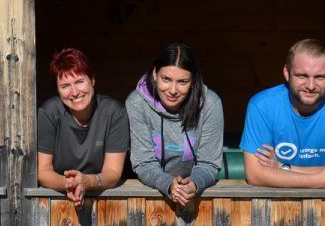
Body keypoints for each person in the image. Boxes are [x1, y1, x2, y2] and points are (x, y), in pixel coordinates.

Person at [240, 39, 325, 188]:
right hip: (274, 203)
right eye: (302, 76)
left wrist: (283, 167)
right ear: (287, 73)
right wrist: (321, 180)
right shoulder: (262, 105)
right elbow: (256, 175)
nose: (310, 86)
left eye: (319, 77)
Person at [126, 42, 223, 205]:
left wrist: (194, 183)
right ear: (155, 74)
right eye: (166, 79)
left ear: (193, 81)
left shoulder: (210, 104)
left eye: (182, 82)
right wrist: (169, 184)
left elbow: (210, 163)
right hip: (146, 195)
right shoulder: (136, 103)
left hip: (191, 196)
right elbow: (143, 162)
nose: (172, 90)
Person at [37, 48, 129, 207]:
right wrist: (69, 184)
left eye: (79, 82)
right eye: (65, 85)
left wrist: (88, 181)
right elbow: (43, 171)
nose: (74, 92)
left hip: (107, 204)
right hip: (58, 204)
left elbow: (113, 172)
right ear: (57, 90)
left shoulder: (115, 112)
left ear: (92, 80)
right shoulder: (48, 113)